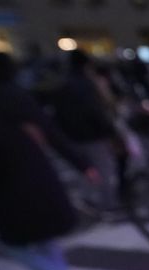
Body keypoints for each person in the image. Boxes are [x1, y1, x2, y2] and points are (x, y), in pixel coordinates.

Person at [0, 52, 96, 270]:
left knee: (14, 243)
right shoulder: (19, 97)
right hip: (38, 173)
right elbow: (51, 132)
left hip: (9, 183)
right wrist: (82, 164)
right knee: (44, 236)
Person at [52, 50, 121, 209]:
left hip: (72, 135)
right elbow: (95, 110)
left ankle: (88, 201)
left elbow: (58, 112)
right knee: (104, 168)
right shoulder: (86, 83)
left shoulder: (62, 83)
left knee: (85, 169)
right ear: (86, 64)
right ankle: (107, 204)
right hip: (93, 134)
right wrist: (110, 131)